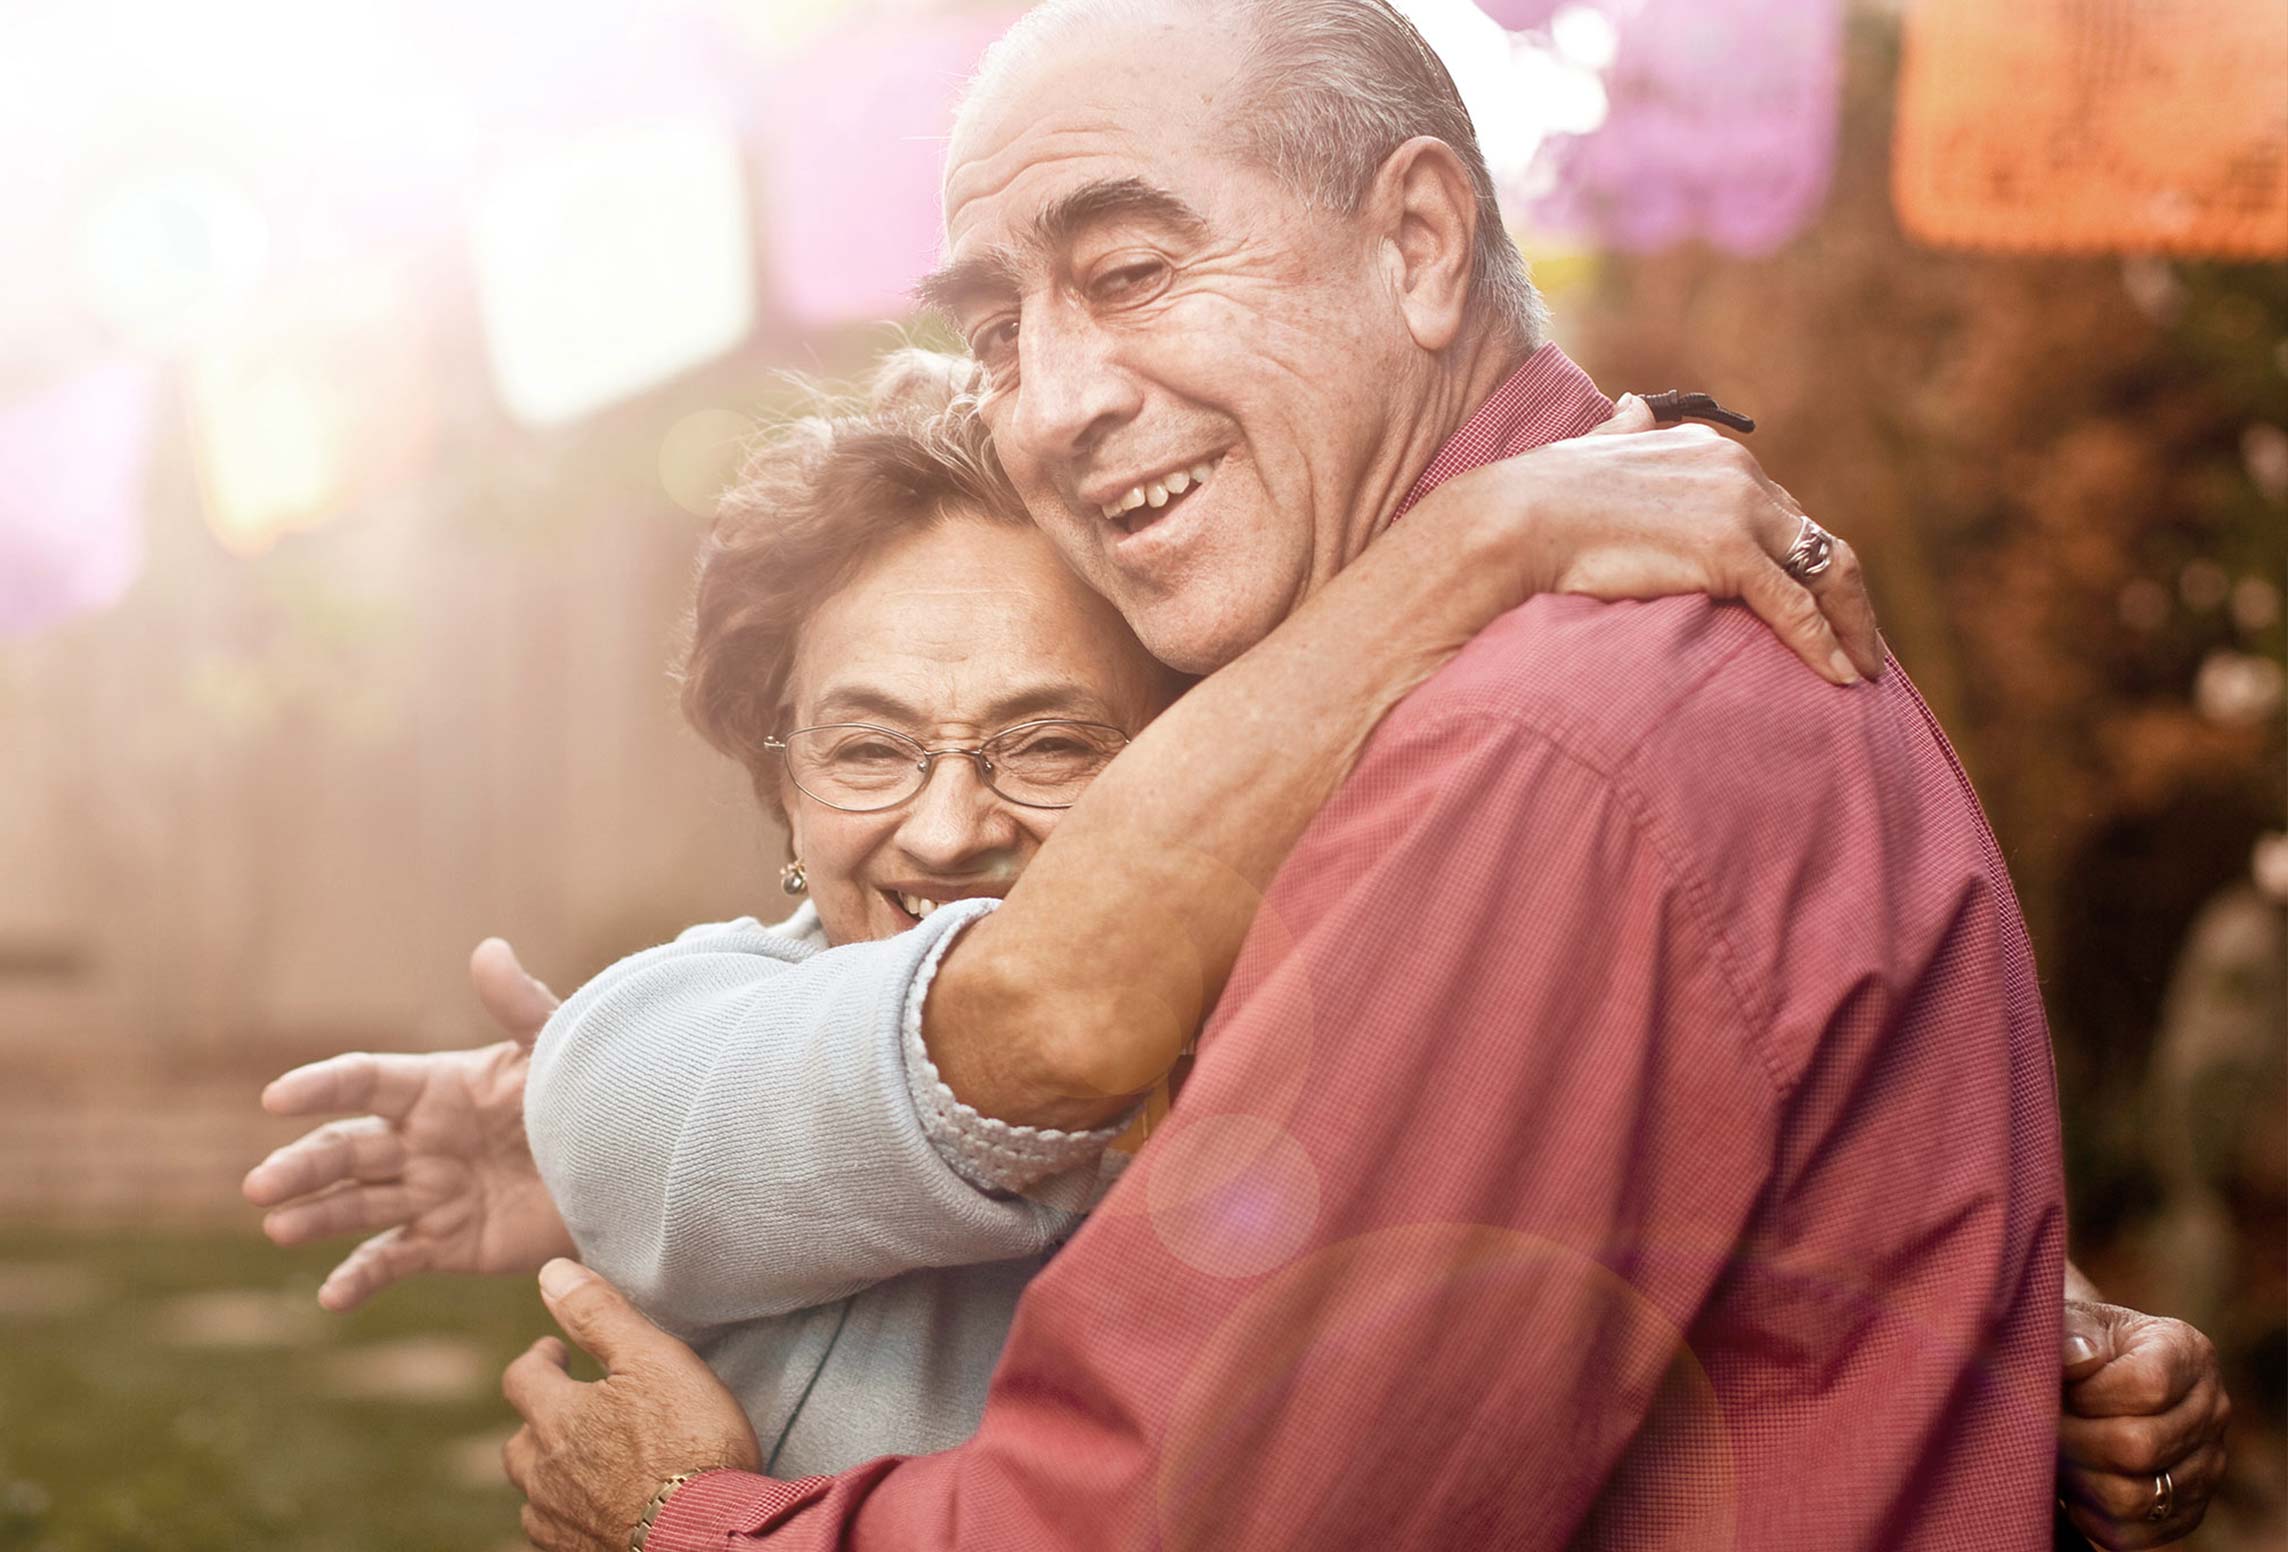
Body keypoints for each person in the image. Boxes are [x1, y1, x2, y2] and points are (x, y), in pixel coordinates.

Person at [461, 3, 2229, 1549]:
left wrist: (683, 1523)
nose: (1058, 397)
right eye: (1001, 328)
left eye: (1133, 269)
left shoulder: (1527, 749)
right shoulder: (1551, 642)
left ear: (1421, 242)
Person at [248, 343, 1881, 1475]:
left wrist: (2038, 1344)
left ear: (1205, 749)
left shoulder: (1340, 1019)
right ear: (781, 775)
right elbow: (1036, 1025)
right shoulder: (617, 1070)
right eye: (867, 747)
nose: (948, 827)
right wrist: (1501, 528)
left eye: (1048, 744)